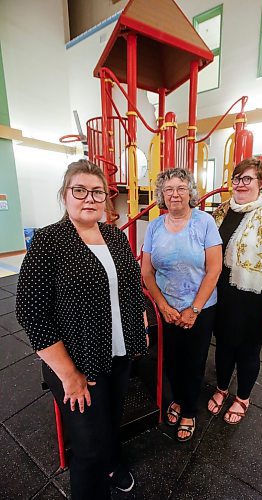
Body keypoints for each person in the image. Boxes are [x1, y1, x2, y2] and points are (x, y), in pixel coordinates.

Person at [16, 159, 148, 500]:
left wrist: (139, 329)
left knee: (109, 423)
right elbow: (32, 315)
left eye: (97, 192)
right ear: (65, 195)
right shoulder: (49, 242)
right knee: (86, 447)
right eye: (79, 190)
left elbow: (131, 289)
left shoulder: (115, 237)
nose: (88, 198)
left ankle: (112, 464)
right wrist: (69, 374)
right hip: (77, 364)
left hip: (117, 354)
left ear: (106, 199)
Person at [208, 157, 262, 424]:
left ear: (261, 183)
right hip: (222, 298)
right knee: (222, 347)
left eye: (248, 179)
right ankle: (222, 388)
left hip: (257, 302)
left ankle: (242, 398)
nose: (241, 184)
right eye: (237, 178)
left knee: (248, 352)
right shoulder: (221, 212)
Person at [142, 168, 222, 442]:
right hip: (167, 308)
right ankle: (176, 399)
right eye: (168, 189)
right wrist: (162, 306)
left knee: (194, 361)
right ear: (162, 196)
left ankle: (189, 411)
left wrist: (194, 309)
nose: (174, 194)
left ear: (190, 192)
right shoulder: (154, 226)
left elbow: (214, 270)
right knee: (172, 360)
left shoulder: (205, 222)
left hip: (200, 309)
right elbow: (147, 272)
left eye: (180, 188)